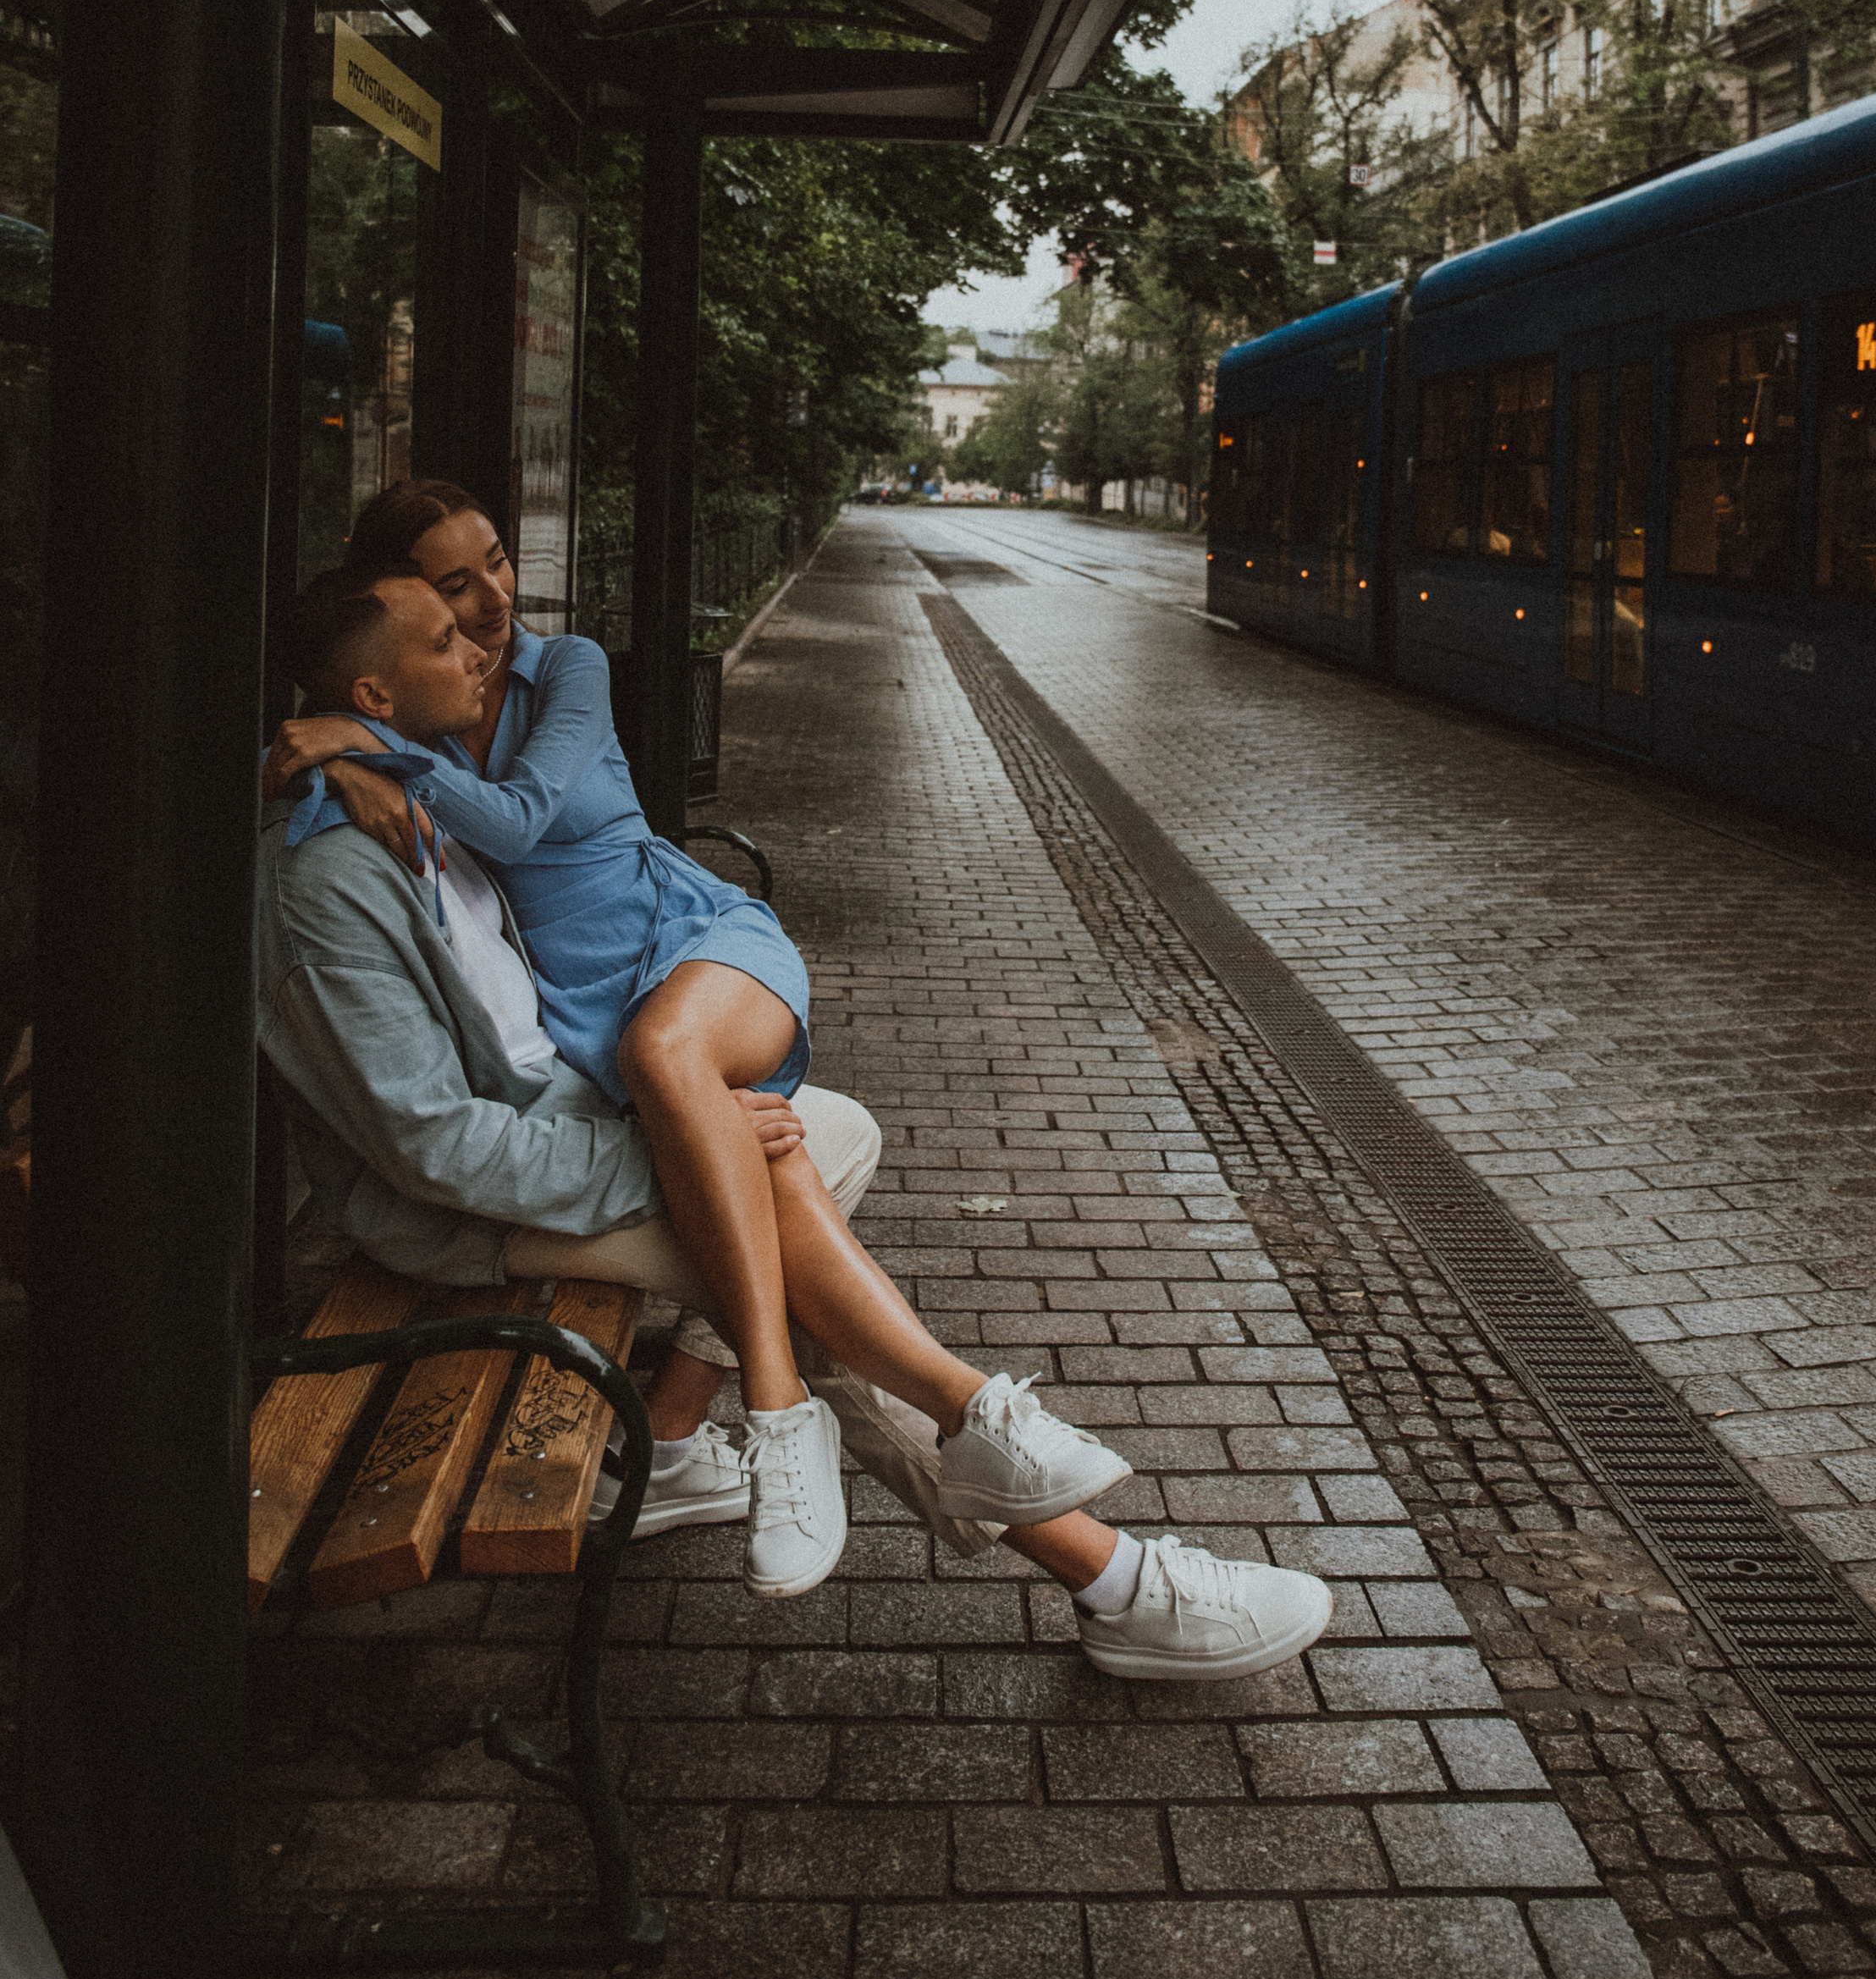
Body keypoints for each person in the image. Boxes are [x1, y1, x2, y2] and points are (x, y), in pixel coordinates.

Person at [258, 563, 1332, 1677]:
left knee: (834, 1135)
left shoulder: (420, 792)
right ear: (375, 695)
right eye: (444, 639)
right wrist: (671, 1144)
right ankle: (1107, 1574)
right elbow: (431, 1147)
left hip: (553, 1122)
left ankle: (676, 1436)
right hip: (465, 1214)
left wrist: (349, 750)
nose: (482, 646)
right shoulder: (329, 884)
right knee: (781, 1271)